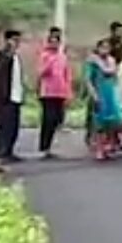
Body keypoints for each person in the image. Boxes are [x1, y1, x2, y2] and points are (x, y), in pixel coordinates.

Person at [84, 39, 122, 160]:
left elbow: (116, 79)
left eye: (107, 47)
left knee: (113, 122)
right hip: (99, 93)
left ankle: (108, 145)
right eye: (103, 47)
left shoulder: (111, 61)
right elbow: (88, 80)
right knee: (99, 123)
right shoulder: (92, 62)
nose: (105, 50)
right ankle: (99, 149)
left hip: (111, 94)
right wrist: (94, 95)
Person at [37, 26, 73, 159]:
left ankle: (49, 147)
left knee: (56, 120)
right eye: (51, 41)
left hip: (60, 92)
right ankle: (44, 147)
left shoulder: (62, 57)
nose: (54, 44)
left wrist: (68, 92)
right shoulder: (45, 55)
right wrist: (50, 61)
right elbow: (41, 72)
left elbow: (67, 75)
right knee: (48, 119)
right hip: (48, 92)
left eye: (56, 42)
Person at [0, 29, 26, 164]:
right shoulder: (3, 57)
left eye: (18, 40)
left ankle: (10, 150)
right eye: (14, 40)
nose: (16, 43)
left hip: (16, 95)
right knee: (5, 126)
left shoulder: (17, 57)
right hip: (7, 97)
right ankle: (2, 151)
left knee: (14, 126)